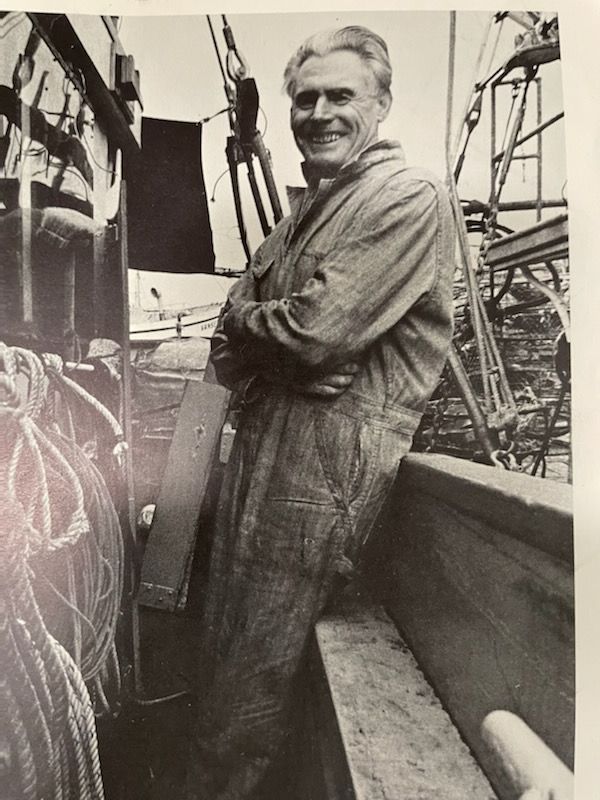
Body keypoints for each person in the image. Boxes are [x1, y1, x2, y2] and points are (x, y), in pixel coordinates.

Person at [187, 25, 456, 800]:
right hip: (267, 465)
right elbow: (230, 341)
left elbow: (314, 332)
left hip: (322, 481)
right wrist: (260, 333)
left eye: (341, 95)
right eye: (304, 98)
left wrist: (264, 331)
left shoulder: (406, 197)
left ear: (381, 103)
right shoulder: (305, 214)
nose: (318, 112)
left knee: (248, 704)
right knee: (225, 675)